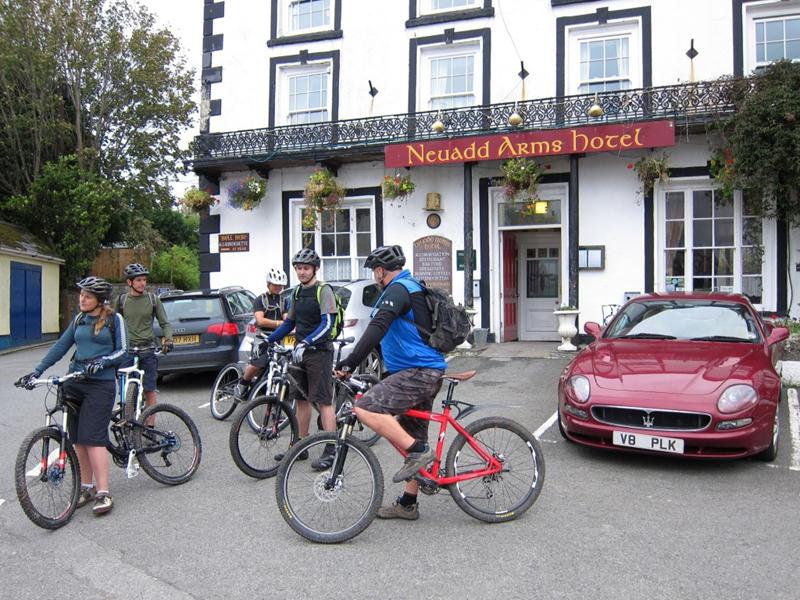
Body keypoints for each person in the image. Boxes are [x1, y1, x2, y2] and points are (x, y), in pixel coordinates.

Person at [335, 245, 447, 521]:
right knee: (413, 434)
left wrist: (349, 362)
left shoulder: (398, 289)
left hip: (418, 372)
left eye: (375, 271)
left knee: (367, 409)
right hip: (417, 371)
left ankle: (420, 453)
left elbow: (378, 327)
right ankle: (408, 503)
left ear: (381, 270)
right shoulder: (408, 287)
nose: (375, 276)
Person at [16, 277, 127, 515]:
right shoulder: (78, 320)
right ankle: (86, 487)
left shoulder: (113, 319)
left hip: (100, 385)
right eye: (81, 295)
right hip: (74, 383)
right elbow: (60, 346)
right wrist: (36, 372)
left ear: (99, 300)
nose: (82, 299)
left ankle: (104, 492)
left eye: (87, 296)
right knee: (77, 439)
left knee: (94, 438)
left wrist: (103, 362)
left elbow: (123, 350)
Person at [267, 248, 338, 470]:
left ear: (315, 269)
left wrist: (307, 342)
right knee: (301, 400)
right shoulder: (296, 293)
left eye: (306, 268)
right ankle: (299, 446)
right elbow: (290, 323)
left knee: (324, 401)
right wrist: (269, 340)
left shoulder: (323, 290)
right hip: (300, 353)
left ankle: (331, 449)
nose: (302, 272)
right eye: (298, 268)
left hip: (319, 352)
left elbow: (327, 323)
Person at [116, 263, 173, 415]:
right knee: (124, 389)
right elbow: (114, 324)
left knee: (149, 390)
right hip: (127, 351)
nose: (143, 283)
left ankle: (150, 428)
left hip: (147, 350)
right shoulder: (122, 301)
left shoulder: (153, 299)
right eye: (139, 280)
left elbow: (165, 323)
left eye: (144, 280)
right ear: (130, 282)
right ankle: (126, 416)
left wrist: (168, 339)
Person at [234, 267, 288, 399]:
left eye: (280, 285)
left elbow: (286, 319)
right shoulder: (260, 300)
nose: (277, 287)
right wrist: (278, 323)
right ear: (268, 284)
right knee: (258, 363)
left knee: (281, 367)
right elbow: (260, 320)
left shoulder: (284, 301)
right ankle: (243, 385)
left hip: (277, 338)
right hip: (261, 337)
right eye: (275, 285)